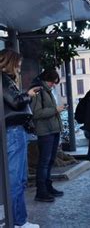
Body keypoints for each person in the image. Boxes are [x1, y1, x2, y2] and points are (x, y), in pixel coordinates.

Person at [1, 48, 40, 227]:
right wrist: (29, 95)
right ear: (11, 62)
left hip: (15, 132)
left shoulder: (6, 80)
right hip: (14, 132)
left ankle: (17, 220)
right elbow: (16, 102)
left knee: (18, 179)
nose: (20, 67)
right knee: (16, 180)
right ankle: (18, 222)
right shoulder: (4, 80)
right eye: (18, 63)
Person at [30, 69, 65, 203]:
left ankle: (48, 187)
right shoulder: (38, 91)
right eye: (52, 82)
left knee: (50, 161)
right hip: (45, 132)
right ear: (46, 80)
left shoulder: (48, 90)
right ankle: (41, 191)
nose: (53, 85)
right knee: (44, 162)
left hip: (53, 130)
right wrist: (55, 110)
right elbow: (36, 113)